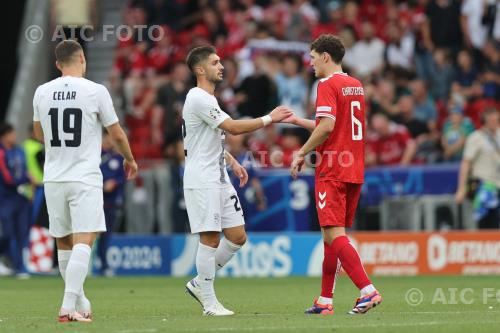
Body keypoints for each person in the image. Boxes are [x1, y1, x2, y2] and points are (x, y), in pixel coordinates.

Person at [32, 40, 138, 323]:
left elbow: (39, 133)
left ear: (57, 64)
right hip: (84, 177)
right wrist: (129, 158)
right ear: (82, 60)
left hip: (53, 178)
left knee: (64, 243)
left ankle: (80, 300)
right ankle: (67, 306)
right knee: (84, 240)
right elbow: (115, 134)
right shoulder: (95, 91)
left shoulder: (42, 91)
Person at [182, 45, 291, 316]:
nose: (221, 66)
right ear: (200, 69)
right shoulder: (198, 97)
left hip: (218, 176)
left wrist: (232, 162)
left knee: (237, 236)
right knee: (210, 238)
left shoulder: (208, 98)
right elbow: (231, 128)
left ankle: (200, 282)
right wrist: (270, 118)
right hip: (203, 179)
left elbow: (208, 139)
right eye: (215, 62)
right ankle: (209, 302)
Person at [284, 34, 382, 315]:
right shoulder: (355, 85)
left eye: (313, 57)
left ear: (326, 56)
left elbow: (326, 128)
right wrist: (298, 121)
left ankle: (368, 291)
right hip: (354, 168)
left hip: (332, 168)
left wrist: (301, 152)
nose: (311, 63)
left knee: (334, 234)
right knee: (330, 237)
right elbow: (332, 125)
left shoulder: (326, 84)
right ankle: (325, 301)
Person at [455, 107, 500, 228]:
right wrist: (461, 188)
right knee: (488, 224)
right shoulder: (476, 138)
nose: (495, 122)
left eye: (497, 119)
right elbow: (465, 163)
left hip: (499, 184)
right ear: (485, 120)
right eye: (492, 119)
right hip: (485, 186)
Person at [0, 123, 31, 278]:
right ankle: (7, 261)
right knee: (7, 233)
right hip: (5, 198)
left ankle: (20, 266)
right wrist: (24, 180)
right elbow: (7, 177)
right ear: (4, 135)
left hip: (21, 198)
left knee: (21, 233)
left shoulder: (19, 151)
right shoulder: (1, 152)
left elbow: (25, 170)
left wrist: (26, 180)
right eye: (12, 134)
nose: (14, 136)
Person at [96, 131, 126, 276]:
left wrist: (114, 182)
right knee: (88, 235)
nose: (109, 141)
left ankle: (104, 265)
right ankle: (87, 266)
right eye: (107, 137)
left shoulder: (118, 159)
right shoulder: (94, 155)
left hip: (111, 204)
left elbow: (123, 178)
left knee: (106, 236)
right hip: (94, 202)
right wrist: (101, 185)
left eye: (112, 138)